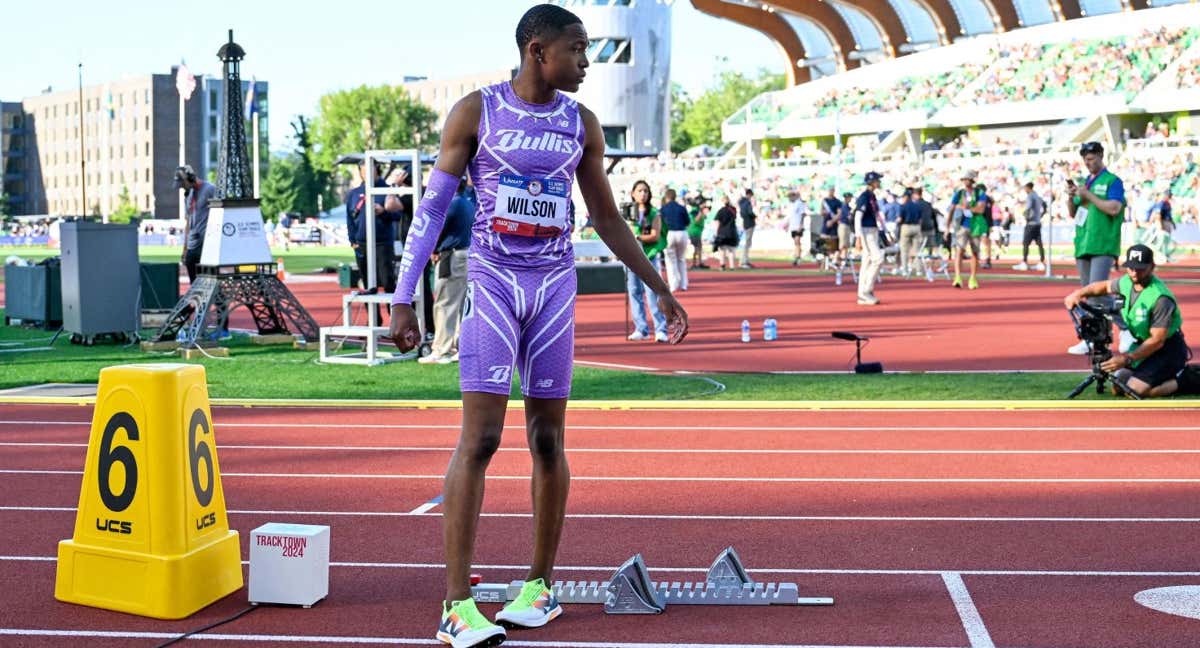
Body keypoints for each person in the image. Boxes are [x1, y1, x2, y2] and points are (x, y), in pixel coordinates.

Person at [387, 6, 688, 645]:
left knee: (549, 442)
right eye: (577, 50)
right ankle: (456, 606)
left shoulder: (581, 124)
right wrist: (402, 297)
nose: (584, 62)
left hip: (554, 289)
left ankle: (538, 588)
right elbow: (432, 209)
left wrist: (658, 287)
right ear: (536, 50)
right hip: (493, 283)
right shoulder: (477, 112)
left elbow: (606, 218)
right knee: (481, 441)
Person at [1064, 244, 1189, 398]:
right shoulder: (1126, 282)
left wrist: (1126, 359)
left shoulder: (1161, 298)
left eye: (1140, 268)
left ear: (1152, 266)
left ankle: (1188, 379)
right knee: (1118, 386)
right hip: (1143, 344)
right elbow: (1102, 286)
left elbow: (1158, 340)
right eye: (1131, 267)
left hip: (1167, 350)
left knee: (1135, 391)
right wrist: (1078, 294)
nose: (1135, 272)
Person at [1067, 141, 1126, 354]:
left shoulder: (1113, 181)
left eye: (1092, 158)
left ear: (1101, 156)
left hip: (1103, 242)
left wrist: (1088, 195)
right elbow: (1074, 212)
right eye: (1085, 159)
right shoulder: (1086, 183)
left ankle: (1127, 328)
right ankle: (1094, 338)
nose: (1088, 162)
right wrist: (1071, 195)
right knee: (1088, 296)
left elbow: (1114, 208)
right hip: (1083, 242)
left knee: (1098, 292)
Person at [418, 177, 474, 365]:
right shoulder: (466, 202)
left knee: (444, 302)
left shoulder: (452, 204)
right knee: (459, 304)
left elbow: (437, 229)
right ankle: (457, 346)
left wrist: (433, 249)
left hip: (451, 256)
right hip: (464, 254)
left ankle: (441, 348)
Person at [346, 160, 404, 321]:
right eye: (363, 170)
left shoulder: (386, 190)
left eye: (369, 169)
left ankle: (395, 320)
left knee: (388, 282)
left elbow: (398, 215)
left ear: (377, 170)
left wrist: (384, 211)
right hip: (362, 244)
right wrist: (353, 240)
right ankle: (374, 319)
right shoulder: (354, 193)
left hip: (382, 243)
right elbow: (349, 219)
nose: (366, 173)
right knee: (368, 285)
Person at [625, 180, 670, 340]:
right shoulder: (628, 212)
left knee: (653, 293)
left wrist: (636, 237)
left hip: (649, 256)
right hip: (631, 257)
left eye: (645, 191)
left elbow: (655, 235)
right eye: (639, 191)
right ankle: (641, 329)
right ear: (633, 193)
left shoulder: (654, 213)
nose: (643, 194)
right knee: (634, 292)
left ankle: (661, 329)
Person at [176, 165, 218, 283]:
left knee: (210, 279)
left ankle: (220, 300)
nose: (182, 187)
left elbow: (221, 212)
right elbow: (188, 222)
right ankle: (197, 301)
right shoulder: (188, 195)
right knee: (194, 282)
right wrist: (185, 248)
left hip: (206, 242)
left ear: (191, 178)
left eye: (183, 183)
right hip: (192, 244)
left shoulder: (210, 189)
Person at [948, 170, 986, 290]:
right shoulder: (959, 194)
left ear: (972, 180)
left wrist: (967, 207)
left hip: (975, 226)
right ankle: (958, 277)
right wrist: (947, 226)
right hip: (962, 226)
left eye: (967, 179)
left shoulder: (980, 193)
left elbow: (981, 210)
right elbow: (952, 209)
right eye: (963, 179)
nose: (965, 182)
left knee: (975, 252)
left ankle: (973, 278)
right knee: (959, 251)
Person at [854, 171, 884, 305]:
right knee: (878, 258)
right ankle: (867, 290)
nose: (879, 182)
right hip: (866, 231)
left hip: (872, 230)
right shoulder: (865, 196)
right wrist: (858, 237)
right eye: (878, 180)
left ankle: (862, 293)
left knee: (866, 262)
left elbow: (877, 215)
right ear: (872, 182)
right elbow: (858, 217)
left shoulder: (871, 196)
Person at [660, 187, 690, 292]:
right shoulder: (681, 207)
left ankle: (673, 285)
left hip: (669, 233)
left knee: (670, 260)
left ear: (667, 197)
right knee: (681, 259)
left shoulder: (663, 209)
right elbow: (687, 221)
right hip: (682, 232)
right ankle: (683, 284)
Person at [1014, 182, 1046, 271]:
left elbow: (1029, 207)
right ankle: (1042, 262)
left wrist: (1026, 216)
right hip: (1038, 223)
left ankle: (1024, 262)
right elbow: (1044, 205)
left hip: (1031, 223)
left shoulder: (1030, 196)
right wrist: (1041, 215)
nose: (1024, 190)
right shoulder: (1037, 195)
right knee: (1039, 243)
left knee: (1025, 243)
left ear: (1028, 188)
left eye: (1025, 188)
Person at [897, 187, 924, 277]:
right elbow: (920, 219)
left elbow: (900, 219)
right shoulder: (917, 205)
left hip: (906, 226)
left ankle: (905, 270)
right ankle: (918, 270)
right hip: (916, 227)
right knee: (917, 250)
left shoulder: (903, 206)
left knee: (904, 250)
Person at [712, 195, 739, 270]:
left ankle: (722, 265)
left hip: (722, 232)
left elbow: (717, 221)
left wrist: (716, 232)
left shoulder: (721, 211)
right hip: (732, 231)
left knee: (722, 249)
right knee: (731, 250)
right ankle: (732, 266)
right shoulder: (733, 210)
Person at [687, 199, 709, 269]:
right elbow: (696, 220)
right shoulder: (696, 211)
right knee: (697, 248)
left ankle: (699, 263)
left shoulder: (695, 211)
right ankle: (695, 264)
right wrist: (701, 212)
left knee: (699, 248)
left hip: (696, 232)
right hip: (694, 232)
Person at [787, 190, 807, 266]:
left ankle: (798, 257)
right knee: (796, 242)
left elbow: (802, 214)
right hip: (793, 226)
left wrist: (801, 225)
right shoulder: (791, 205)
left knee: (797, 241)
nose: (789, 198)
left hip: (798, 226)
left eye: (790, 196)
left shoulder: (799, 203)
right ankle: (796, 256)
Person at [737, 188, 756, 268]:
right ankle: (743, 261)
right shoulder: (747, 203)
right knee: (747, 243)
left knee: (747, 243)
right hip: (749, 222)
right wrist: (754, 216)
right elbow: (749, 212)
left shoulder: (741, 202)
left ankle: (745, 260)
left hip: (745, 222)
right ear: (749, 194)